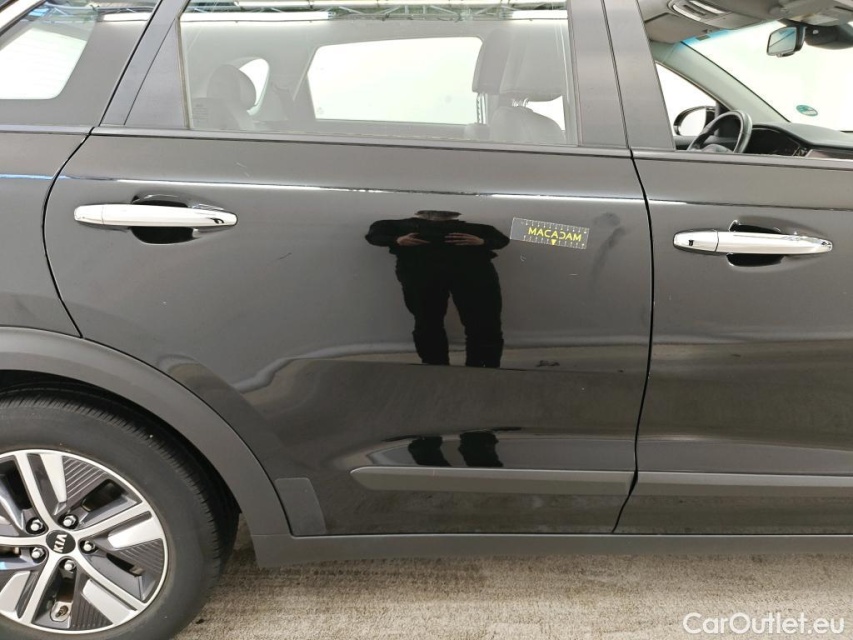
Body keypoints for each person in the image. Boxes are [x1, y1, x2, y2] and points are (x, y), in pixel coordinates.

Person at [366, 210, 509, 367]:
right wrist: (396, 240)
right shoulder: (398, 225)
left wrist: (482, 241)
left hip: (463, 273)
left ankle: (476, 365)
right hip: (429, 273)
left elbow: (502, 240)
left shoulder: (477, 228)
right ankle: (440, 364)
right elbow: (374, 235)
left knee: (481, 320)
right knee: (428, 320)